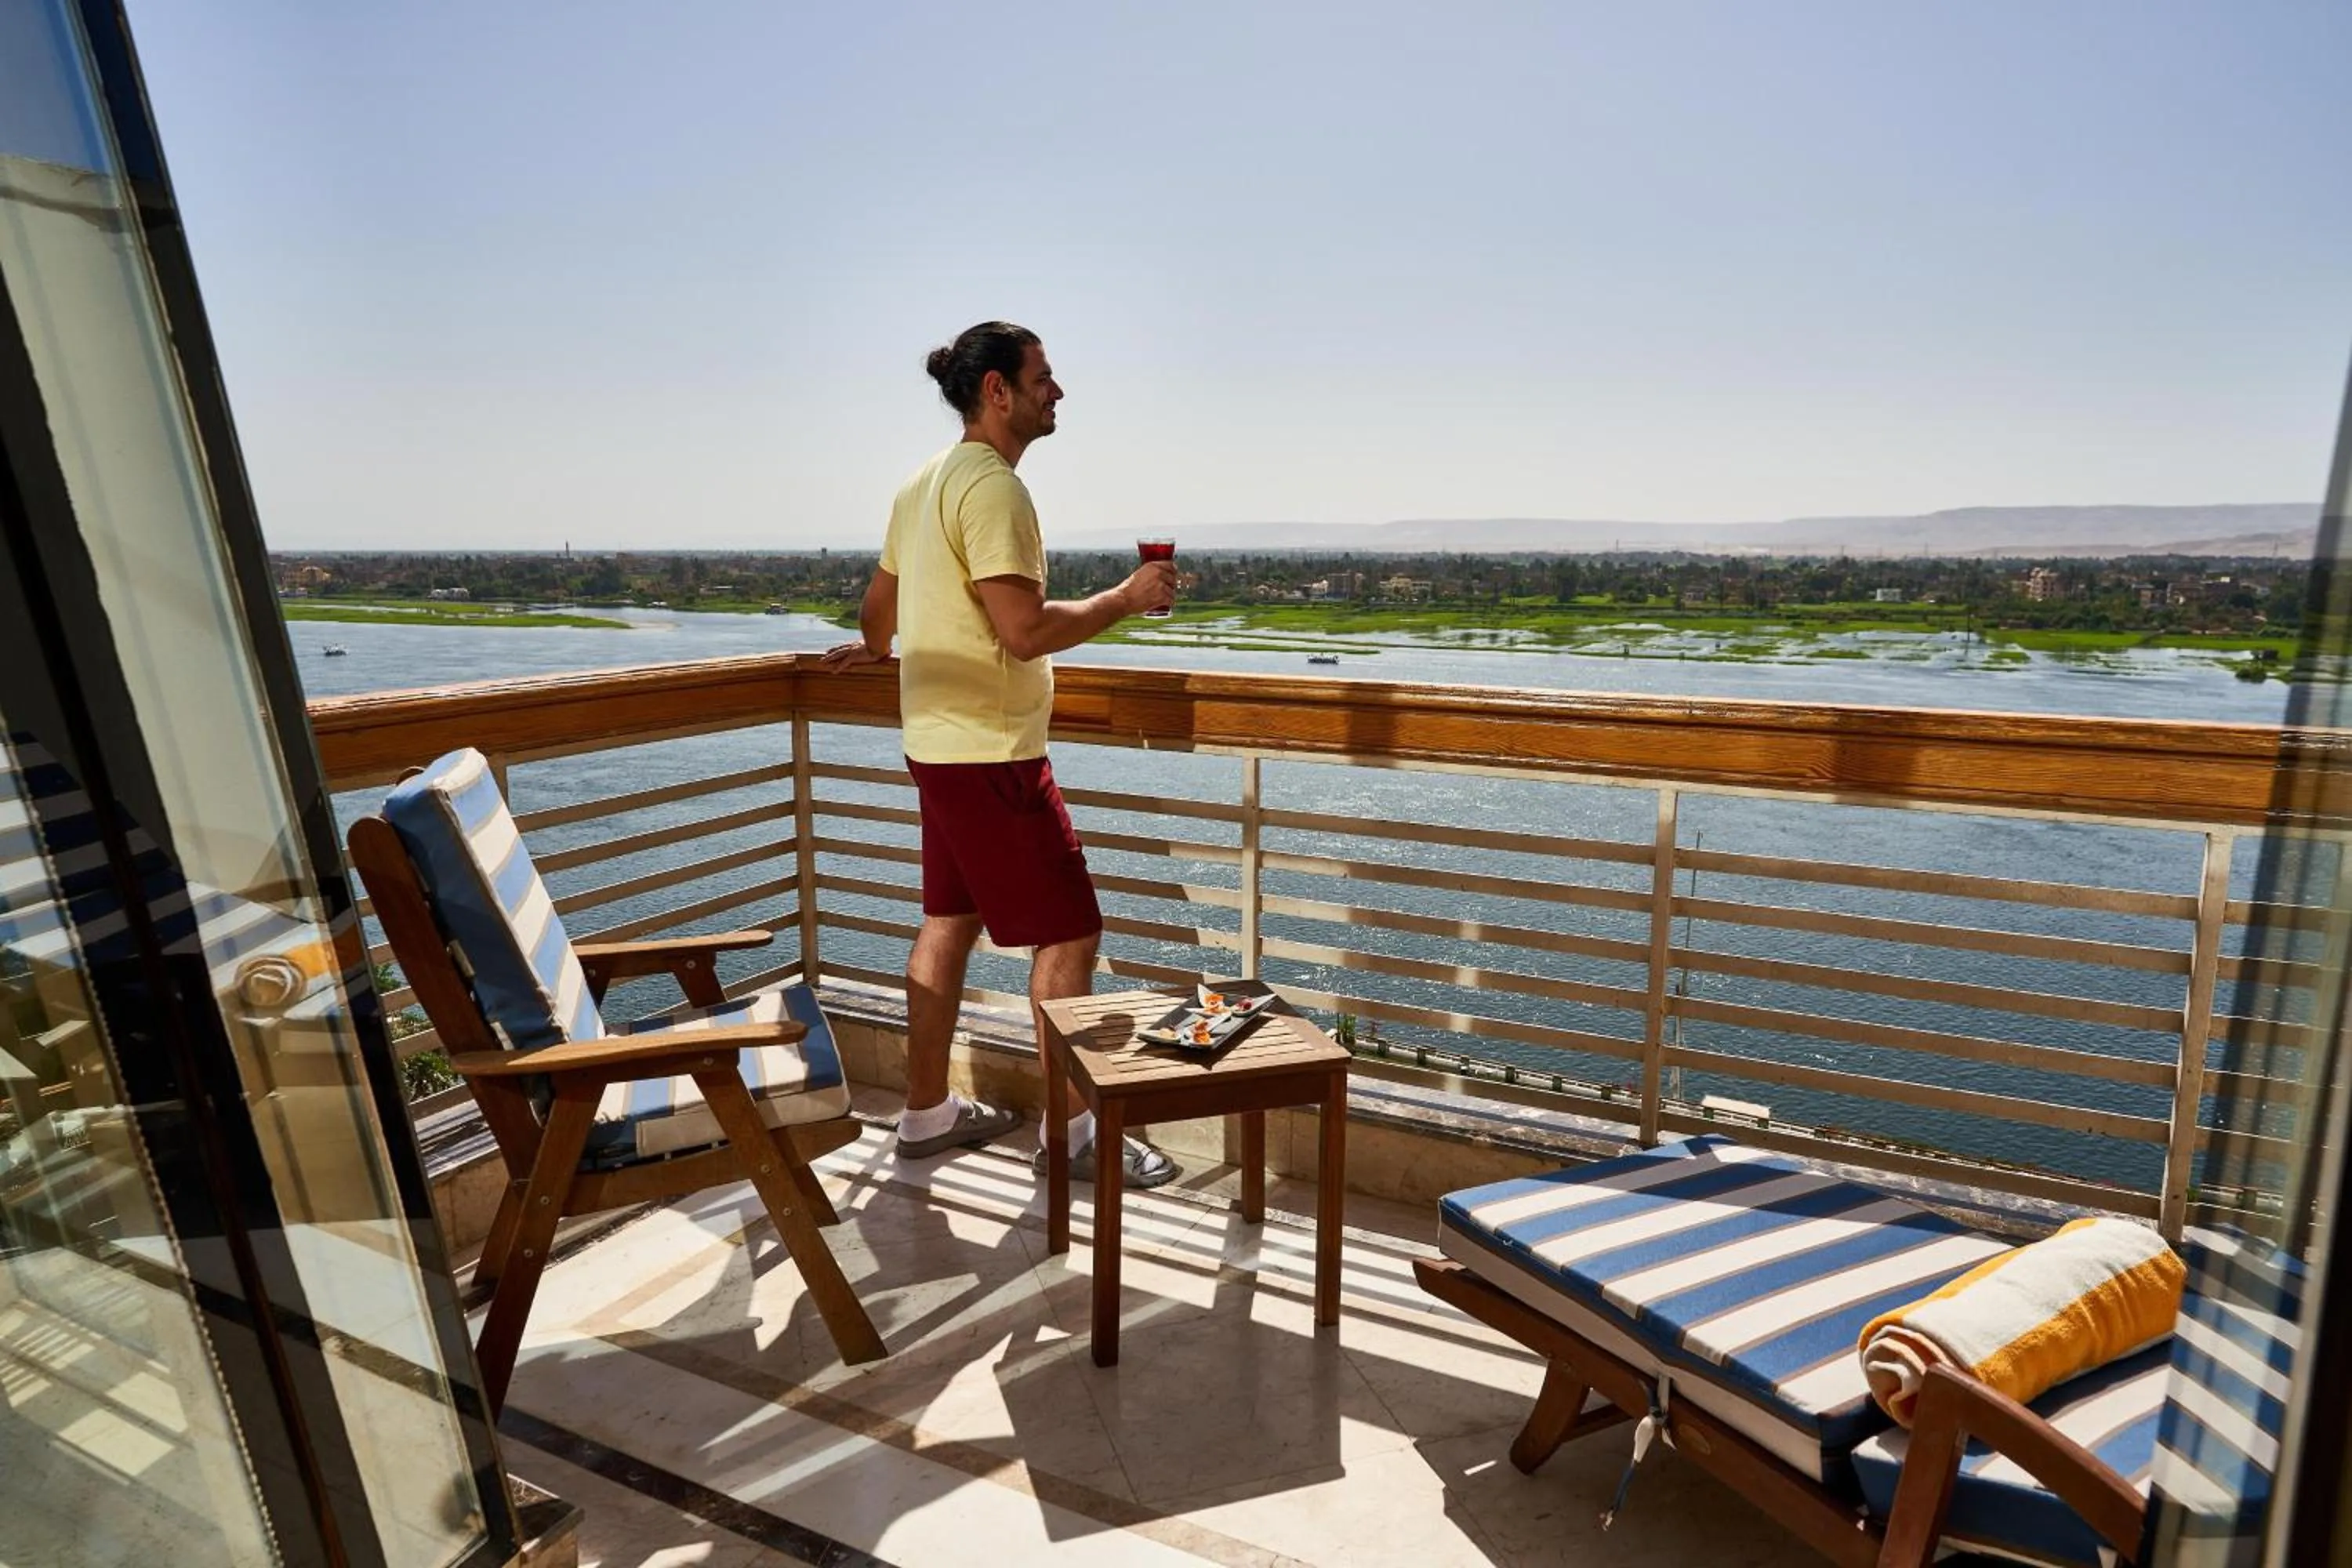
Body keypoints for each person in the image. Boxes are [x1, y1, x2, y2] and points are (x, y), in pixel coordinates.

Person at [823, 321, 1181, 1187]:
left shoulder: (923, 484)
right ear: (997, 390)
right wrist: (1127, 598)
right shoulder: (994, 490)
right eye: (1043, 377)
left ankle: (925, 1114)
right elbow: (1022, 632)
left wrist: (878, 651)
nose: (1057, 392)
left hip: (935, 744)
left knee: (949, 922)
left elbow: (877, 617)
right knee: (1070, 931)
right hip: (993, 756)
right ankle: (1073, 1137)